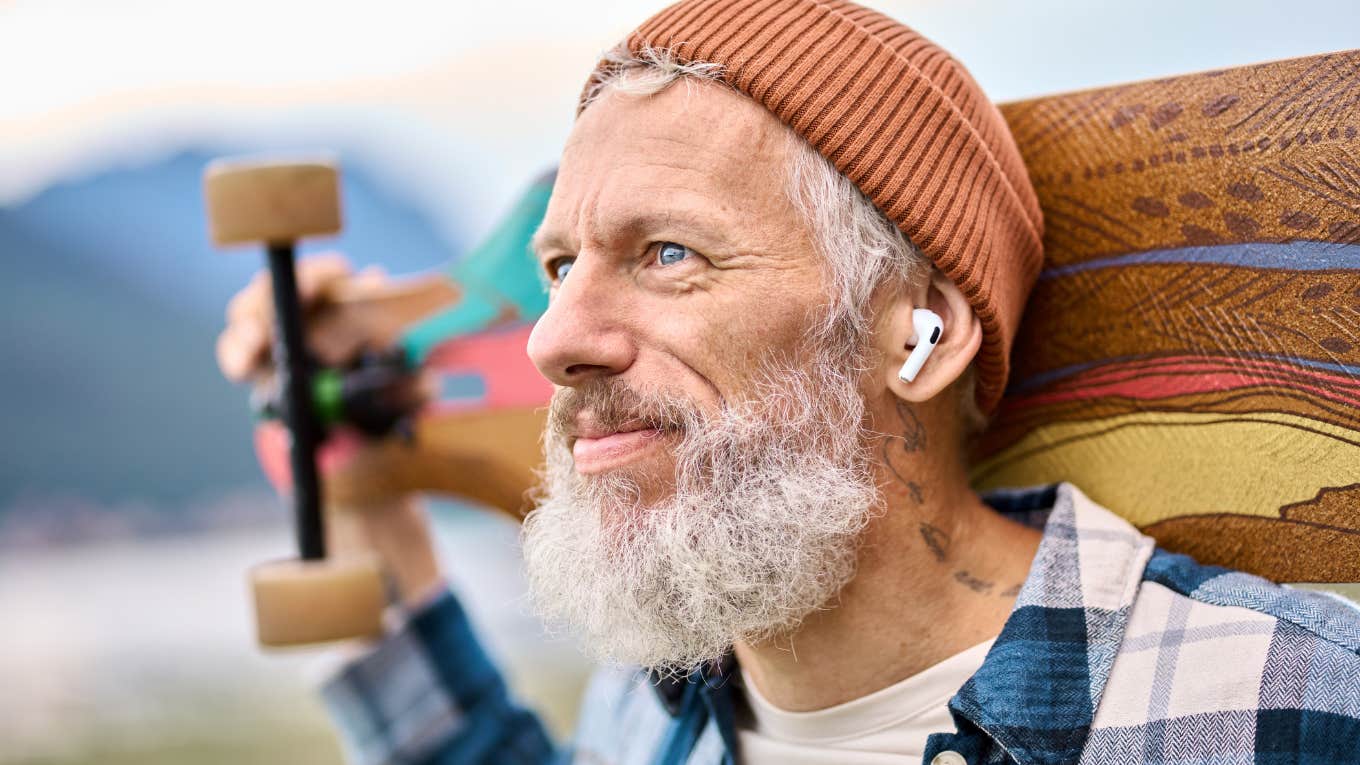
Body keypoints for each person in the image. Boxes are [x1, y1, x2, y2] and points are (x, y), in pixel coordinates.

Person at [217, 1, 1360, 763]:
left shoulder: (1288, 702)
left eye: (668, 254)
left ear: (921, 332)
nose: (550, 339)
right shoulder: (657, 707)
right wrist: (374, 521)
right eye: (558, 268)